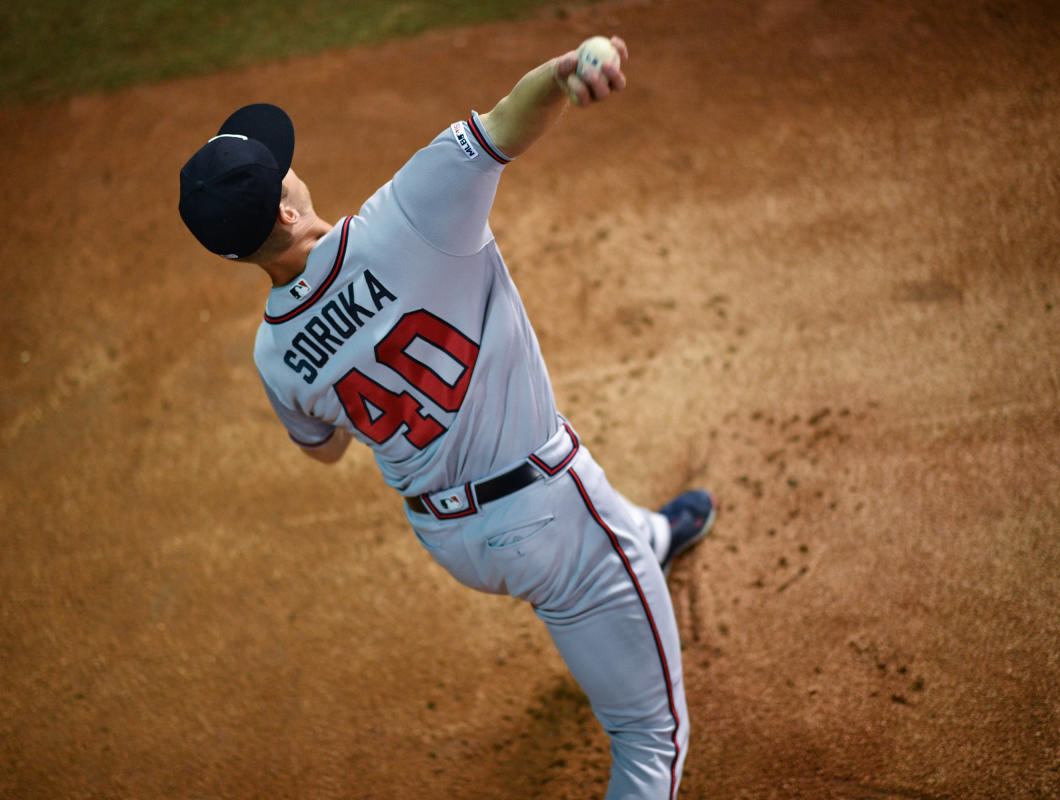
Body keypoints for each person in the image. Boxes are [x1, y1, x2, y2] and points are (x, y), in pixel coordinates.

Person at [178, 36, 716, 800]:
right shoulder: (407, 212)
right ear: (289, 205)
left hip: (453, 540)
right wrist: (570, 68)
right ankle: (617, 565)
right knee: (650, 741)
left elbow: (327, 451)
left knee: (592, 533)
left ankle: (647, 543)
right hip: (551, 517)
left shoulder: (274, 356)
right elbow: (508, 120)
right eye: (278, 166)